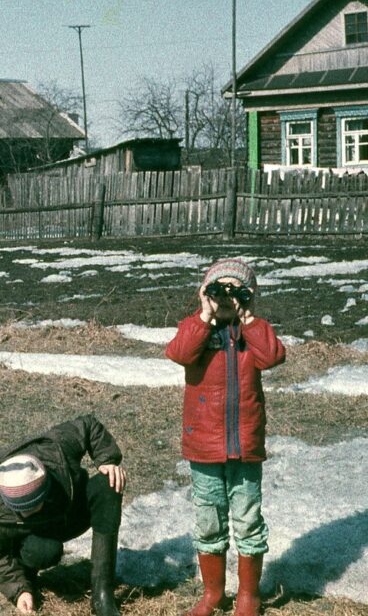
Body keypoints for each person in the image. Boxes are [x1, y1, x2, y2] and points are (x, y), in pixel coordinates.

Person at [165, 258, 286, 616]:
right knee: (209, 520)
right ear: (207, 293)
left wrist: (249, 319)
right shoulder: (196, 331)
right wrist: (205, 313)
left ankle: (249, 596)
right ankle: (213, 595)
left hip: (245, 447)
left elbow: (273, 356)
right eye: (220, 290)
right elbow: (179, 352)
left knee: (248, 519)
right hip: (204, 448)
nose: (227, 299)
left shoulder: (253, 333)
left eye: (237, 292)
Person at [0, 415, 127, 615]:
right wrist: (19, 590)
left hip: (69, 511)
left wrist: (106, 459)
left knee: (107, 484)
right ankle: (28, 575)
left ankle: (102, 595)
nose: (33, 511)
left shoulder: (56, 449)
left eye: (37, 503)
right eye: (25, 510)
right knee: (45, 551)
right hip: (35, 539)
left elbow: (88, 425)